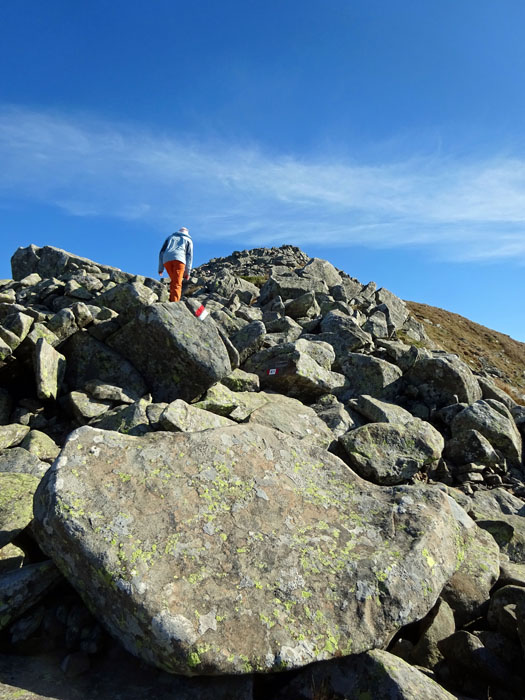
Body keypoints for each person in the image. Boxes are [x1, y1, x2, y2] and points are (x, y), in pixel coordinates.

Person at [158, 227, 193, 302]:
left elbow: (161, 252)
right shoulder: (188, 240)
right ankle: (175, 303)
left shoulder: (170, 237)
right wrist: (187, 272)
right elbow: (189, 256)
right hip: (179, 260)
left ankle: (171, 299)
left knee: (174, 281)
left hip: (166, 260)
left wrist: (161, 268)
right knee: (177, 283)